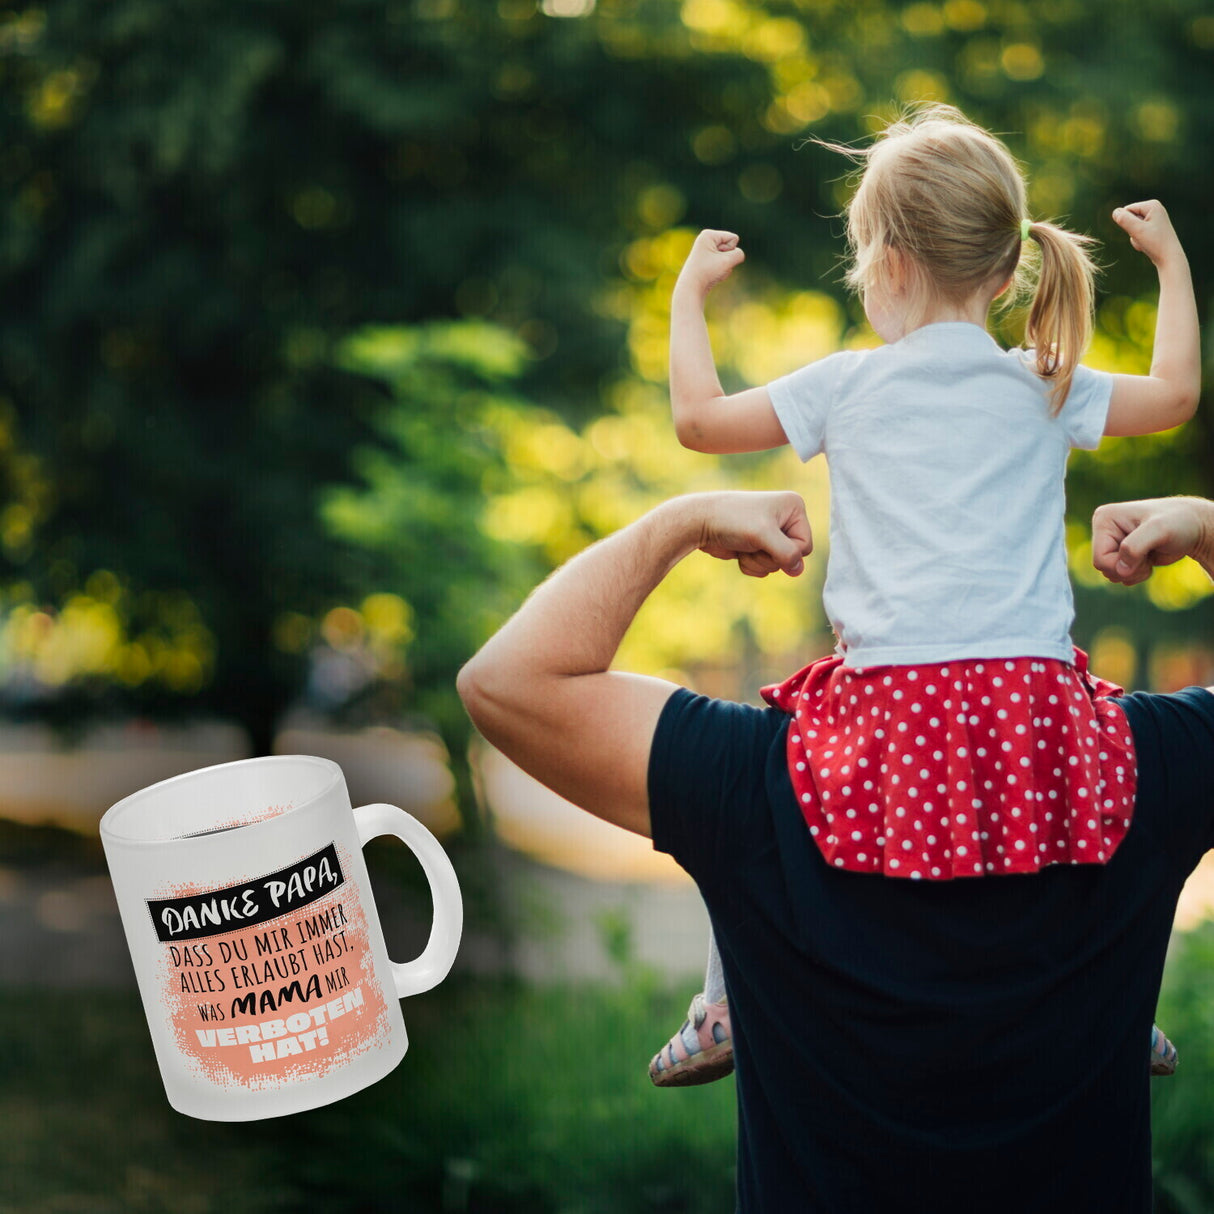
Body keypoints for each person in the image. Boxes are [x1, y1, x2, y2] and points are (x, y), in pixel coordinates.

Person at [458, 490, 1214, 1214]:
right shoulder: (1137, 765)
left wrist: (679, 524)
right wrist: (1208, 529)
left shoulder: (760, 776)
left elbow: (506, 682)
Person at [652, 103, 1199, 1085]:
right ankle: (1121, 1005)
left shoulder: (843, 385)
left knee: (749, 788)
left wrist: (686, 292)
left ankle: (724, 1003)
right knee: (1106, 793)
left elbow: (696, 420)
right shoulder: (1045, 379)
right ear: (1003, 270)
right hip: (1029, 696)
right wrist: (1169, 266)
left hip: (888, 701)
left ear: (884, 262)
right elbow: (1173, 394)